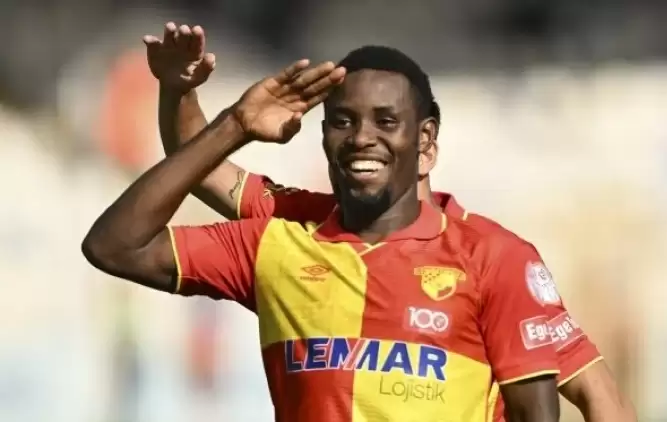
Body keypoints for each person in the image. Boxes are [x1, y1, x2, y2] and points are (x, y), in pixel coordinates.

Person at [145, 23, 637, 422]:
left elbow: (597, 393)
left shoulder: (493, 256)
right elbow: (202, 168)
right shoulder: (304, 222)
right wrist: (178, 92)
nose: (364, 142)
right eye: (346, 122)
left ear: (426, 143)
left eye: (386, 123)